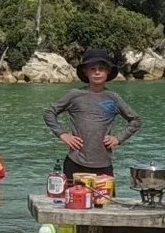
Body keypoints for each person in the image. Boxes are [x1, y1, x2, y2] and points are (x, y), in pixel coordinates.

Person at [45, 47, 140, 184]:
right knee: (74, 197)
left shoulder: (113, 98)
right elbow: (49, 113)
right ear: (85, 71)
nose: (97, 72)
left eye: (101, 68)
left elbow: (135, 120)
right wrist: (63, 135)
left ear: (108, 71)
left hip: (104, 165)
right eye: (92, 69)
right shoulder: (74, 95)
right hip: (75, 162)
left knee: (105, 198)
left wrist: (118, 138)